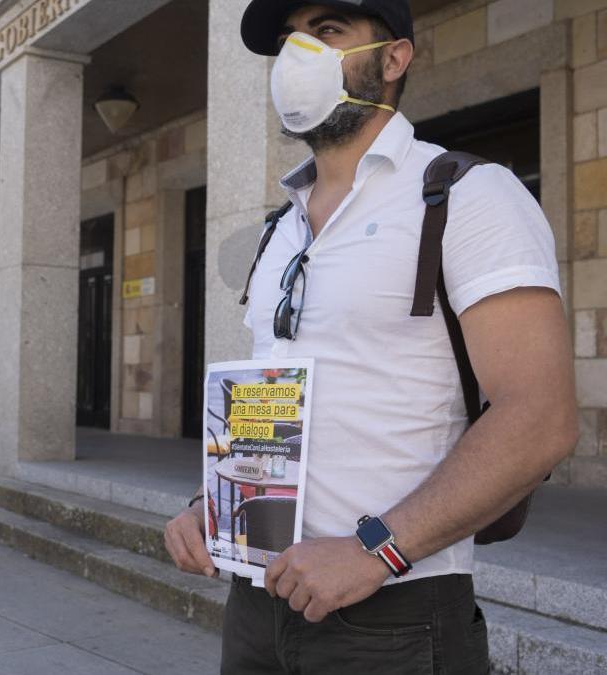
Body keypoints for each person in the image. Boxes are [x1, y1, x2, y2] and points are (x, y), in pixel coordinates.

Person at [162, 2, 578, 672]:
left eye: (326, 31)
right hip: (255, 606)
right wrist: (209, 506)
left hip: (396, 617)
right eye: (289, 38)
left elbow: (542, 416)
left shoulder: (468, 196)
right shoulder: (279, 232)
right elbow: (269, 404)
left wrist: (373, 550)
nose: (299, 53)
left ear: (394, 58)